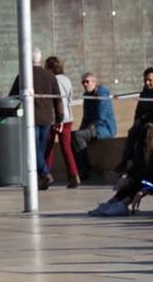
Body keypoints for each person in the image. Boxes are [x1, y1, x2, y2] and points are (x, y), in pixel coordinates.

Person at [90, 125, 153, 216]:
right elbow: (140, 169)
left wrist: (142, 191)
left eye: (150, 138)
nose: (146, 141)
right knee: (137, 178)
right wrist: (127, 178)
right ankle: (113, 202)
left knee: (142, 179)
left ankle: (123, 204)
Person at [8, 49, 64, 190]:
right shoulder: (50, 77)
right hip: (46, 119)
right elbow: (58, 99)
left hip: (30, 119)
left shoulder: (23, 76)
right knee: (40, 149)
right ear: (40, 59)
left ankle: (45, 174)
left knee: (33, 150)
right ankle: (42, 178)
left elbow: (12, 97)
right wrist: (60, 118)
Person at [42, 56, 81, 189]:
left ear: (50, 68)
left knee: (49, 146)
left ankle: (45, 176)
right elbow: (69, 98)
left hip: (55, 118)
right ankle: (74, 174)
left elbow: (52, 100)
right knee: (66, 148)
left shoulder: (50, 80)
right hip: (68, 118)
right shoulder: (67, 80)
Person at [72, 72, 115, 180]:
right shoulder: (87, 96)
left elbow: (101, 116)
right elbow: (85, 117)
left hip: (104, 128)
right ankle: (78, 169)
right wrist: (82, 128)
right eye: (83, 82)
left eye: (87, 81)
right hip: (92, 127)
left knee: (78, 136)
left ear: (94, 82)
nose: (85, 84)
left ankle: (86, 168)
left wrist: (89, 127)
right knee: (73, 136)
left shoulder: (102, 94)